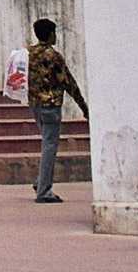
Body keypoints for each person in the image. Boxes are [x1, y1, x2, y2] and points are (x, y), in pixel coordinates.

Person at [28, 17, 88, 204]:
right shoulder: (53, 56)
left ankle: (41, 181)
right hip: (50, 106)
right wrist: (83, 106)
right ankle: (44, 190)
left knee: (46, 142)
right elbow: (68, 83)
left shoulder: (29, 54)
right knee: (50, 146)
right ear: (50, 34)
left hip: (35, 104)